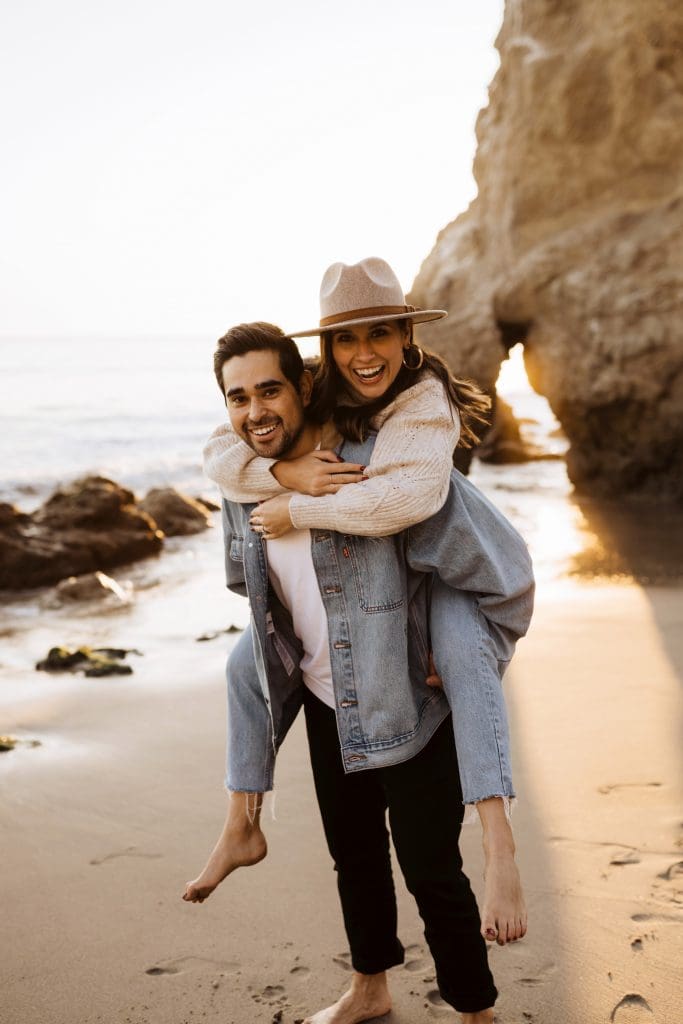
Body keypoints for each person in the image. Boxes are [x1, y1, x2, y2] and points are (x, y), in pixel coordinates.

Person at [183, 321, 534, 1024]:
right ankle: (369, 988)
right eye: (238, 398)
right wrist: (277, 476)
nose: (255, 411)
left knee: (430, 868)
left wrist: (444, 632)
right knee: (354, 857)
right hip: (323, 694)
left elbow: (455, 545)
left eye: (270, 390)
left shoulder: (377, 465)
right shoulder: (242, 480)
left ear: (304, 385)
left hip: (407, 696)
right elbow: (244, 572)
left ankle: (474, 1010)